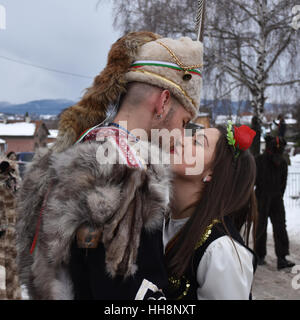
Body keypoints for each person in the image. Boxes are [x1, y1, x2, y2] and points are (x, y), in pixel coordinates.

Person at [16, 31, 204, 299]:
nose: (180, 135)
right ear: (162, 102)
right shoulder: (127, 174)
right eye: (184, 122)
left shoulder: (87, 147)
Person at [163, 122, 258, 300]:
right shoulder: (158, 221)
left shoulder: (220, 251)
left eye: (198, 142)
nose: (181, 140)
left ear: (212, 173)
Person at [254, 134, 295, 270]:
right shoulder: (259, 160)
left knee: (280, 227)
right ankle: (259, 255)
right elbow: (253, 181)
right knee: (261, 226)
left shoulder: (282, 162)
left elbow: (283, 183)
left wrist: (278, 195)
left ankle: (281, 258)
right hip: (262, 197)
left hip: (276, 198)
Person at [0, 156, 22, 300]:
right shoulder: (15, 183)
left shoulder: (15, 183)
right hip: (8, 234)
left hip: (11, 235)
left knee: (12, 275)